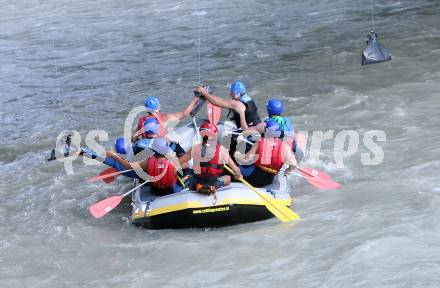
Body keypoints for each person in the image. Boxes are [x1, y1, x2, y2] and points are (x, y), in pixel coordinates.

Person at [106, 138, 189, 196]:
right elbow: (186, 165)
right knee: (186, 173)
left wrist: (115, 156)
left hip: (155, 191)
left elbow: (128, 165)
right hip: (172, 191)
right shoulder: (173, 162)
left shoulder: (146, 163)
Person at [179, 120, 243, 194]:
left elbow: (179, 162)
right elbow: (236, 170)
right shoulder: (222, 150)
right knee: (228, 178)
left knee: (190, 175)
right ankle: (225, 195)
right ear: (215, 135)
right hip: (214, 183)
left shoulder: (195, 148)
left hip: (197, 182)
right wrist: (238, 175)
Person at [236, 120, 297, 187]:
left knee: (238, 167)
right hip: (269, 180)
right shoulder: (285, 147)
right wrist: (287, 171)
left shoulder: (260, 142)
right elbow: (294, 164)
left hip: (254, 176)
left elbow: (246, 159)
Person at [194, 81, 265, 132]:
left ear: (235, 94)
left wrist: (204, 93)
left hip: (248, 132)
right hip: (257, 127)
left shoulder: (237, 104)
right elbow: (223, 101)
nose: (230, 94)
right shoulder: (247, 99)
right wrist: (209, 94)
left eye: (232, 92)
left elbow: (216, 103)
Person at [132, 94, 200, 142]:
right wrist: (194, 99)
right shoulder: (165, 118)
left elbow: (133, 139)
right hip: (162, 150)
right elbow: (184, 114)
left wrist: (140, 142)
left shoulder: (141, 121)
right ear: (157, 107)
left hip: (148, 150)